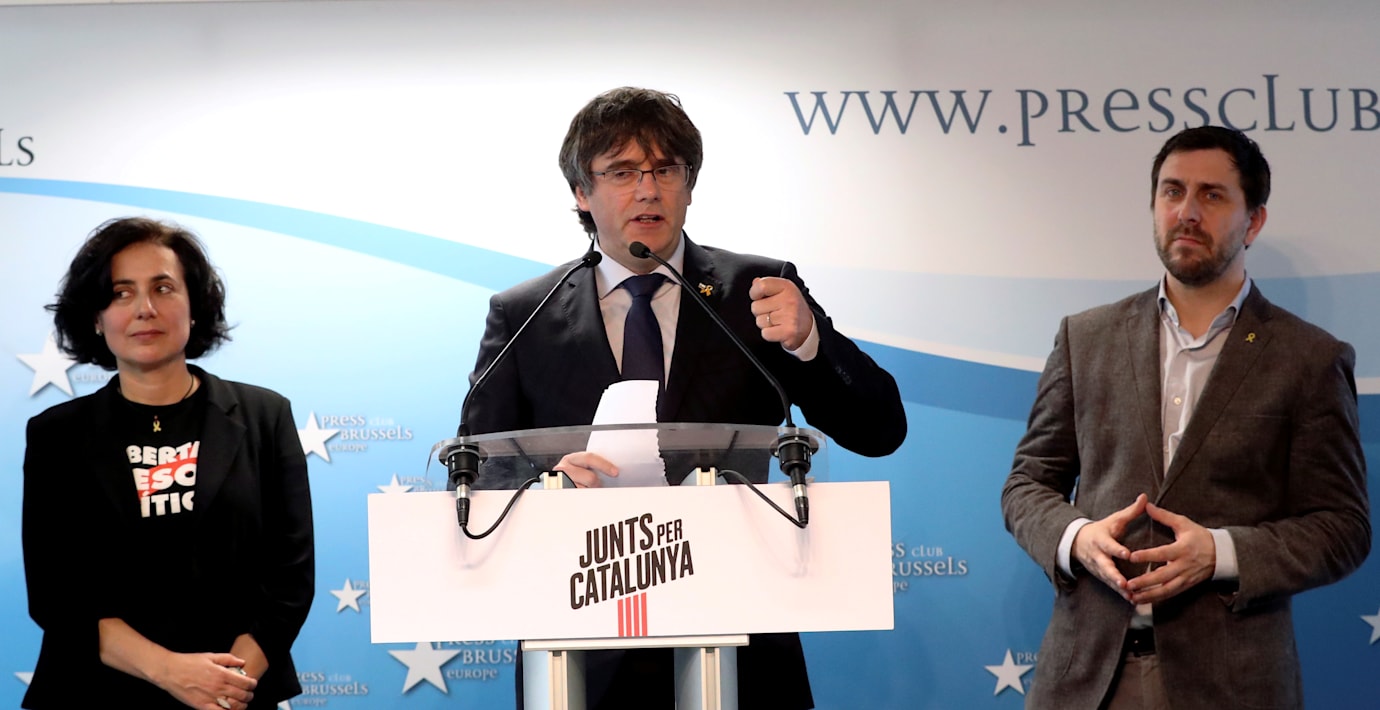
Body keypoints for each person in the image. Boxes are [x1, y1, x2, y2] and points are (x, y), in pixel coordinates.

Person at [461, 87, 907, 709]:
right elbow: (476, 478)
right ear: (582, 192)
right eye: (622, 172)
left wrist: (811, 341)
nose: (648, 190)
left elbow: (879, 430)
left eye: (665, 170)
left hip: (742, 645)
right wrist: (545, 487)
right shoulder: (523, 314)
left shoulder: (756, 290)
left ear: (689, 184)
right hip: (582, 653)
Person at [1001, 126, 1370, 709]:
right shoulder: (1086, 338)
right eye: (1172, 192)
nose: (1187, 212)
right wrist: (1077, 537)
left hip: (1233, 685)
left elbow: (1342, 528)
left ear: (1253, 221)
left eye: (1212, 195)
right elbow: (1027, 485)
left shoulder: (1310, 358)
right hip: (1086, 680)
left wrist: (1220, 553)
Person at [21, 218, 315, 710]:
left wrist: (225, 687)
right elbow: (56, 596)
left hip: (233, 697)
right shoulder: (57, 434)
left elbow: (290, 580)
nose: (145, 309)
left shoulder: (266, 416)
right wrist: (171, 673)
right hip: (94, 695)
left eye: (163, 288)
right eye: (121, 293)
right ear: (96, 317)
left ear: (195, 306)